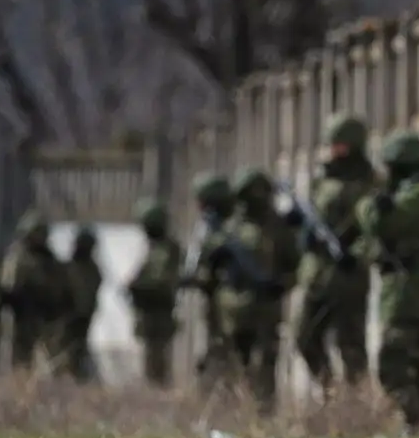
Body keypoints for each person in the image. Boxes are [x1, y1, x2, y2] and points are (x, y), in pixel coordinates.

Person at [356, 130, 419, 435]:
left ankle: (416, 416)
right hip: (402, 284)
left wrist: (375, 204)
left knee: (393, 358)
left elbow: (384, 223)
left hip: (413, 285)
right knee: (412, 357)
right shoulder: (412, 192)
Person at [295, 114, 380, 396]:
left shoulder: (369, 183)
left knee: (351, 344)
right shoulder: (323, 180)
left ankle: (357, 404)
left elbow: (372, 230)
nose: (334, 150)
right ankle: (330, 389)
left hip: (348, 277)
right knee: (305, 336)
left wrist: (355, 255)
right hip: (317, 274)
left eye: (340, 145)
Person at [213, 168, 299, 415]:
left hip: (265, 308)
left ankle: (263, 416)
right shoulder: (230, 227)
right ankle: (232, 414)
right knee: (234, 363)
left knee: (264, 364)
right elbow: (212, 268)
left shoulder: (278, 228)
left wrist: (281, 284)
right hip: (233, 309)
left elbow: (294, 264)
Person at [0, 210, 72, 374]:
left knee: (56, 362)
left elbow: (63, 289)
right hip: (24, 318)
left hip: (47, 319)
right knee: (21, 364)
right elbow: (8, 289)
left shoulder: (50, 261)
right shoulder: (18, 258)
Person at [186, 172, 237, 391]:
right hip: (217, 300)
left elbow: (198, 266)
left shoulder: (218, 230)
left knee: (217, 352)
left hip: (223, 301)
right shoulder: (214, 227)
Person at [128, 198, 183, 387]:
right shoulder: (154, 248)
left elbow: (162, 281)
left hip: (159, 311)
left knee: (157, 359)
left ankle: (158, 392)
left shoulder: (167, 249)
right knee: (151, 358)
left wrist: (141, 286)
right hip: (149, 312)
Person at [62, 225, 103, 382]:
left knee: (76, 349)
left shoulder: (88, 270)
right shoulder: (72, 268)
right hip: (70, 317)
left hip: (80, 316)